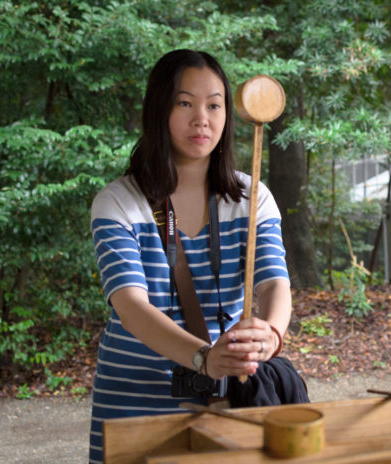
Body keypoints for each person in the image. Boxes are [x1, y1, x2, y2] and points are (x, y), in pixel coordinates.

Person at [88, 50, 300, 463]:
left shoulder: (251, 198)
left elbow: (274, 281)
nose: (201, 118)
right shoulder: (118, 203)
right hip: (135, 396)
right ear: (158, 110)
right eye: (184, 103)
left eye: (214, 104)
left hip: (224, 393)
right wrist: (203, 357)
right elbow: (130, 306)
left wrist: (270, 336)